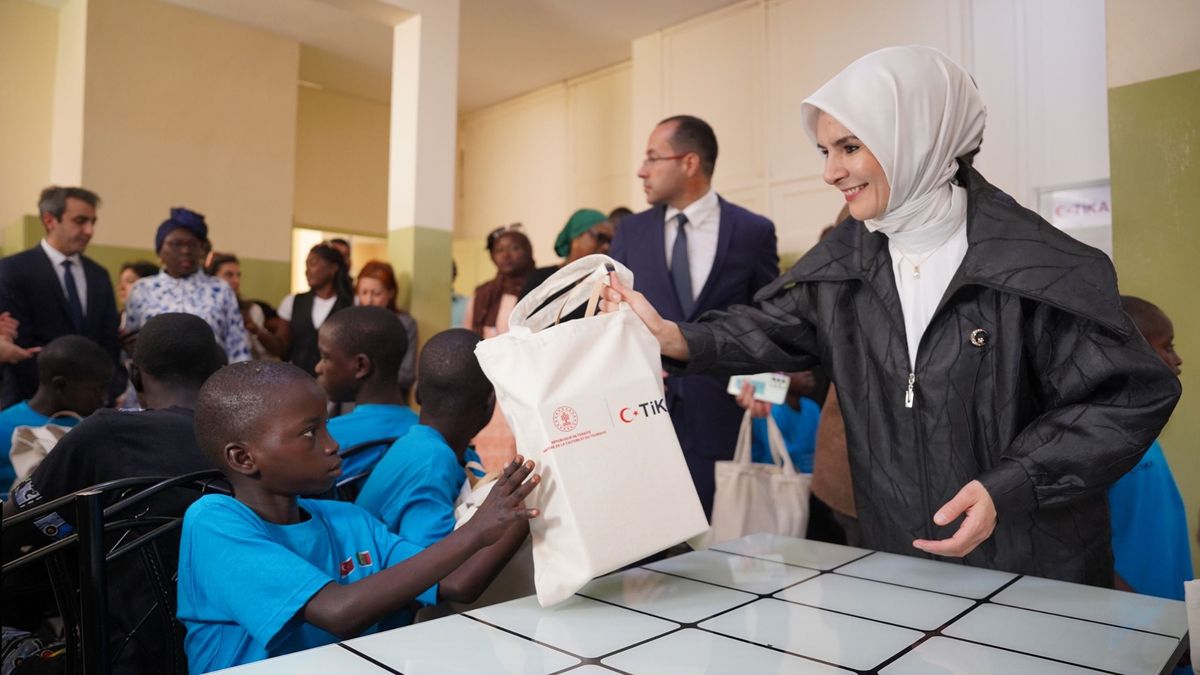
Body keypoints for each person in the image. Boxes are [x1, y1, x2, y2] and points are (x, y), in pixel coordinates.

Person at [602, 46, 1179, 586]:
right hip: (904, 565)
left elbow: (1127, 397)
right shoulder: (844, 266)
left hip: (1033, 570)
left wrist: (1012, 483)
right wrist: (673, 335)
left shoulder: (1038, 265)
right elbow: (766, 325)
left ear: (918, 138)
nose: (831, 172)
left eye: (850, 147)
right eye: (825, 152)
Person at [177, 361, 539, 672]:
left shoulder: (347, 519)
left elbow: (458, 582)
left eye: (327, 426)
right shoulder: (213, 522)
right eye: (310, 432)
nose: (332, 444)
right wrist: (474, 531)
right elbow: (339, 612)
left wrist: (528, 498)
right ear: (243, 458)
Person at [3, 313, 223, 673]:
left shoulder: (107, 432)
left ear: (133, 375)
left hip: (124, 654)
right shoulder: (244, 439)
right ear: (216, 372)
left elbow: (17, 525)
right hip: (228, 643)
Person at [610, 114, 779, 517]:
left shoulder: (752, 231)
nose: (642, 170)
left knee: (713, 541)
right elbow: (611, 318)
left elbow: (770, 320)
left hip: (719, 417)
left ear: (689, 163)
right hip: (640, 418)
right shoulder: (631, 232)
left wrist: (767, 388)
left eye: (653, 158)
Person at [356, 329, 502, 547]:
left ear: (417, 393)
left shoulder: (462, 456)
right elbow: (439, 565)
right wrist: (515, 529)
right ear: (490, 404)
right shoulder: (432, 461)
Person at [0, 186, 122, 407]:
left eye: (93, 222)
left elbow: (108, 343)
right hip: (31, 403)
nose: (89, 231)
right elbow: (19, 344)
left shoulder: (98, 275)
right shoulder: (13, 270)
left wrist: (105, 393)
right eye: (80, 221)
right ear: (50, 220)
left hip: (91, 406)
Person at [1109, 296, 1190, 600]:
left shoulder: (1143, 428)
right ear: (1133, 352)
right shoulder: (1096, 440)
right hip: (1131, 615)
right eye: (1167, 346)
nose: (1177, 360)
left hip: (1170, 603)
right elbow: (1077, 544)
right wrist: (1132, 606)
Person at [123, 208, 251, 364]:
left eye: (192, 244)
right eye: (176, 244)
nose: (185, 250)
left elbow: (237, 347)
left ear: (202, 249)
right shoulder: (142, 289)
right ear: (160, 250)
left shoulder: (220, 290)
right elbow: (130, 347)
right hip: (156, 377)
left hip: (210, 377)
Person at [316, 307, 418, 478]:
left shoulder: (326, 438)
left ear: (361, 366)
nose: (318, 368)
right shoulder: (423, 431)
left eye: (325, 358)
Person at [0, 335, 112, 489]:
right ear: (60, 385)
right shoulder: (3, 429)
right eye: (97, 390)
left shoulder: (98, 426)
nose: (104, 398)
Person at [280, 243, 354, 376]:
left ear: (333, 268)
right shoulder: (293, 301)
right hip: (297, 379)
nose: (307, 270)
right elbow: (282, 346)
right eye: (306, 265)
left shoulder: (351, 304)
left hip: (334, 380)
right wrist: (258, 331)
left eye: (313, 264)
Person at [207, 253, 288, 360]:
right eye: (229, 275)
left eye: (238, 275)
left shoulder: (251, 310)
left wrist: (254, 329)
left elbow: (265, 355)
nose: (236, 281)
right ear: (213, 279)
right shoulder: (203, 309)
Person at [519, 209, 615, 298]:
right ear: (576, 238)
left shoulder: (606, 285)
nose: (606, 247)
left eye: (610, 241)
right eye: (600, 238)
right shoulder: (542, 280)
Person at [355, 261, 418, 395]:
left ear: (391, 293)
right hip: (352, 400)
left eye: (376, 294)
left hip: (390, 398)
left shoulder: (405, 324)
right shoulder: (351, 322)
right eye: (363, 292)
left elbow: (406, 375)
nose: (369, 300)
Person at [464, 226, 535, 338]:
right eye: (499, 250)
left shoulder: (540, 288)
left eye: (515, 248)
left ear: (528, 251)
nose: (506, 255)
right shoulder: (482, 292)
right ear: (492, 256)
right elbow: (468, 334)